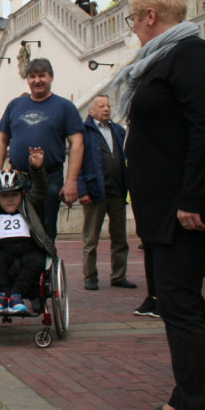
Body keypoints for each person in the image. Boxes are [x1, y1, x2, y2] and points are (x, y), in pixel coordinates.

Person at [114, 0, 205, 410]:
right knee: (172, 303)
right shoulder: (162, 58)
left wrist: (191, 198)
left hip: (184, 208)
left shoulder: (190, 54)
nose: (133, 28)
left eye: (133, 19)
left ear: (151, 17)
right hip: (162, 206)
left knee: (182, 307)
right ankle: (184, 400)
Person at [0, 58, 84, 241]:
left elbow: (77, 143)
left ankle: (45, 265)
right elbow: (1, 140)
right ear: (27, 80)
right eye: (32, 76)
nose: (37, 80)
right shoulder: (15, 105)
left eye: (42, 75)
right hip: (17, 178)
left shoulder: (65, 107)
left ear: (51, 78)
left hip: (50, 177)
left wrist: (71, 181)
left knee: (46, 226)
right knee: (16, 226)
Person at [0, 148, 54, 315]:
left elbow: (41, 189)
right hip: (2, 252)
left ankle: (16, 294)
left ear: (22, 194)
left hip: (29, 252)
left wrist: (37, 169)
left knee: (37, 260)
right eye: (4, 195)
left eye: (14, 194)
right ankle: (1, 294)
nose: (9, 199)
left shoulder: (30, 205)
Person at [77, 95, 134, 290]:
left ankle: (119, 275)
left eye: (108, 105)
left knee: (120, 238)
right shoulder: (84, 132)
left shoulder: (118, 130)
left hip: (117, 191)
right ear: (91, 111)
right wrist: (82, 190)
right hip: (94, 192)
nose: (106, 109)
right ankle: (90, 276)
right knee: (91, 239)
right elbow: (78, 164)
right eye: (101, 106)